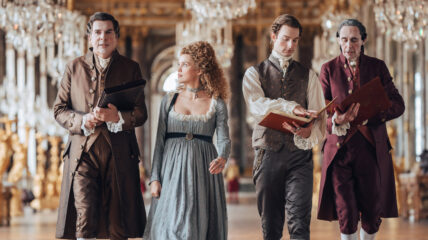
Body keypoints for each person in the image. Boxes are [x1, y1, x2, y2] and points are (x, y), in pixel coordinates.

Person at [53, 12, 147, 240]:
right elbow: (59, 110)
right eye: (97, 32)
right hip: (82, 154)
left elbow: (141, 114)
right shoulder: (73, 67)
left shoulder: (131, 67)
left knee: (117, 223)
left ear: (115, 36)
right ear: (89, 37)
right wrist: (82, 120)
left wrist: (117, 117)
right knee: (84, 215)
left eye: (108, 32)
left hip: (120, 155)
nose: (102, 38)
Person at [317, 19, 405, 240]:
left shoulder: (378, 67)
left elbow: (398, 104)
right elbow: (319, 113)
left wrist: (370, 115)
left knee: (373, 210)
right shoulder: (327, 69)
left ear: (363, 40)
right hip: (339, 152)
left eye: (354, 40)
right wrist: (336, 120)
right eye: (344, 40)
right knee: (345, 210)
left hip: (371, 150)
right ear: (338, 40)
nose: (349, 46)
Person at [242, 14, 326, 240]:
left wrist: (310, 130)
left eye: (296, 40)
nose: (291, 45)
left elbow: (319, 114)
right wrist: (292, 108)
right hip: (267, 154)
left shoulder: (309, 76)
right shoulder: (254, 74)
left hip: (300, 157)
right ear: (273, 37)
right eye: (285, 39)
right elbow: (258, 106)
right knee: (271, 227)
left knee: (300, 224)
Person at [144, 41, 231, 240]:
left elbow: (225, 138)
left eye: (184, 64)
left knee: (196, 225)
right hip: (171, 171)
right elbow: (159, 143)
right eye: (179, 63)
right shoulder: (169, 100)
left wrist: (222, 157)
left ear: (199, 69)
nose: (179, 69)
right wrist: (155, 178)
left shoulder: (216, 103)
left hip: (203, 172)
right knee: (170, 226)